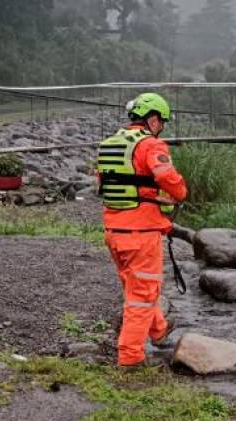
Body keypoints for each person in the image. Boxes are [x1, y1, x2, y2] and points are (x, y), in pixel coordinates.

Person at [96, 93, 187, 368]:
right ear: (153, 119)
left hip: (114, 231)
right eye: (162, 122)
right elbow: (165, 176)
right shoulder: (150, 145)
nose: (162, 128)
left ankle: (158, 330)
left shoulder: (109, 144)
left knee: (136, 287)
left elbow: (107, 182)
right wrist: (180, 193)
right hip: (141, 234)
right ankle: (130, 357)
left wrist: (149, 195)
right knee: (142, 295)